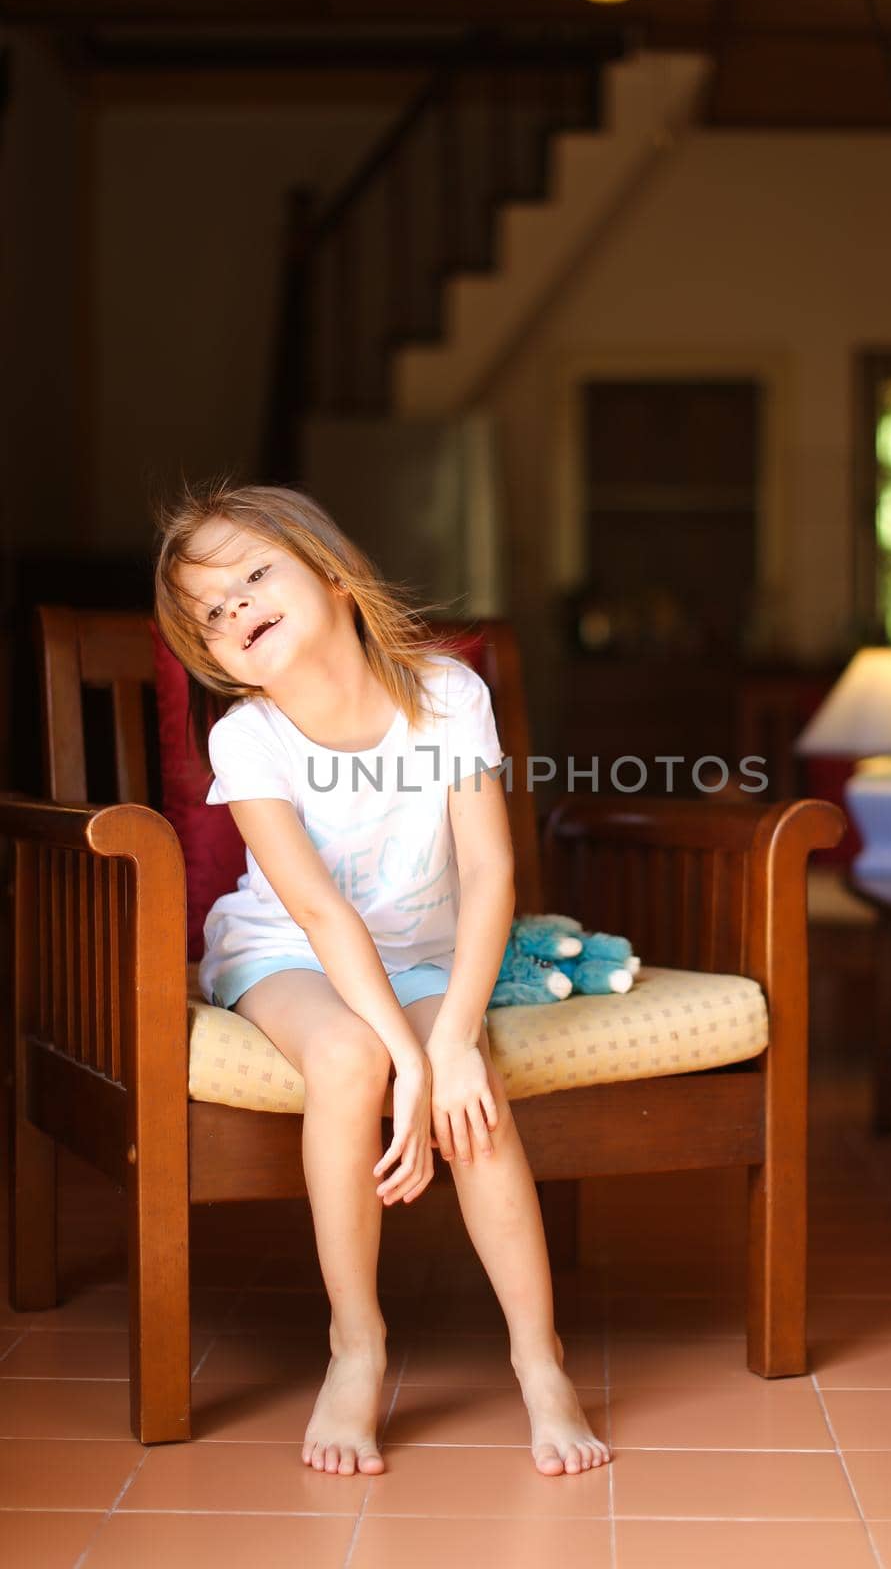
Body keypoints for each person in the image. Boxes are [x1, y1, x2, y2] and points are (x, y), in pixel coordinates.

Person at [153, 480, 610, 1481]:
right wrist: (405, 1051)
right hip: (284, 951)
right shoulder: (249, 737)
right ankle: (354, 1344)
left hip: (422, 952)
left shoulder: (450, 697)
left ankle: (540, 1360)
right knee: (349, 1055)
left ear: (331, 571)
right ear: (208, 654)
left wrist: (448, 1044)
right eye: (209, 614)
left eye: (250, 578)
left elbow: (491, 872)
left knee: (470, 1094)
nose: (232, 609)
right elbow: (319, 912)